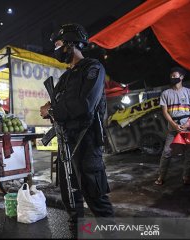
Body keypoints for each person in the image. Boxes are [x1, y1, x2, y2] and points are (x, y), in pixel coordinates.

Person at [40, 23, 114, 231]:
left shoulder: (93, 68)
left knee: (96, 198)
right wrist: (51, 109)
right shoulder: (65, 77)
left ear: (71, 44)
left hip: (87, 142)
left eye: (58, 44)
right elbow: (62, 108)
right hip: (67, 144)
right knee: (71, 199)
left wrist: (53, 110)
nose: (56, 49)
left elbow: (85, 104)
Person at [154, 67, 190, 186]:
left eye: (175, 76)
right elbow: (165, 112)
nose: (173, 78)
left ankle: (186, 177)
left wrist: (187, 124)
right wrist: (174, 125)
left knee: (189, 152)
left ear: (182, 77)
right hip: (173, 128)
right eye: (171, 76)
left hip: (189, 127)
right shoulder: (166, 93)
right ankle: (161, 177)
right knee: (167, 152)